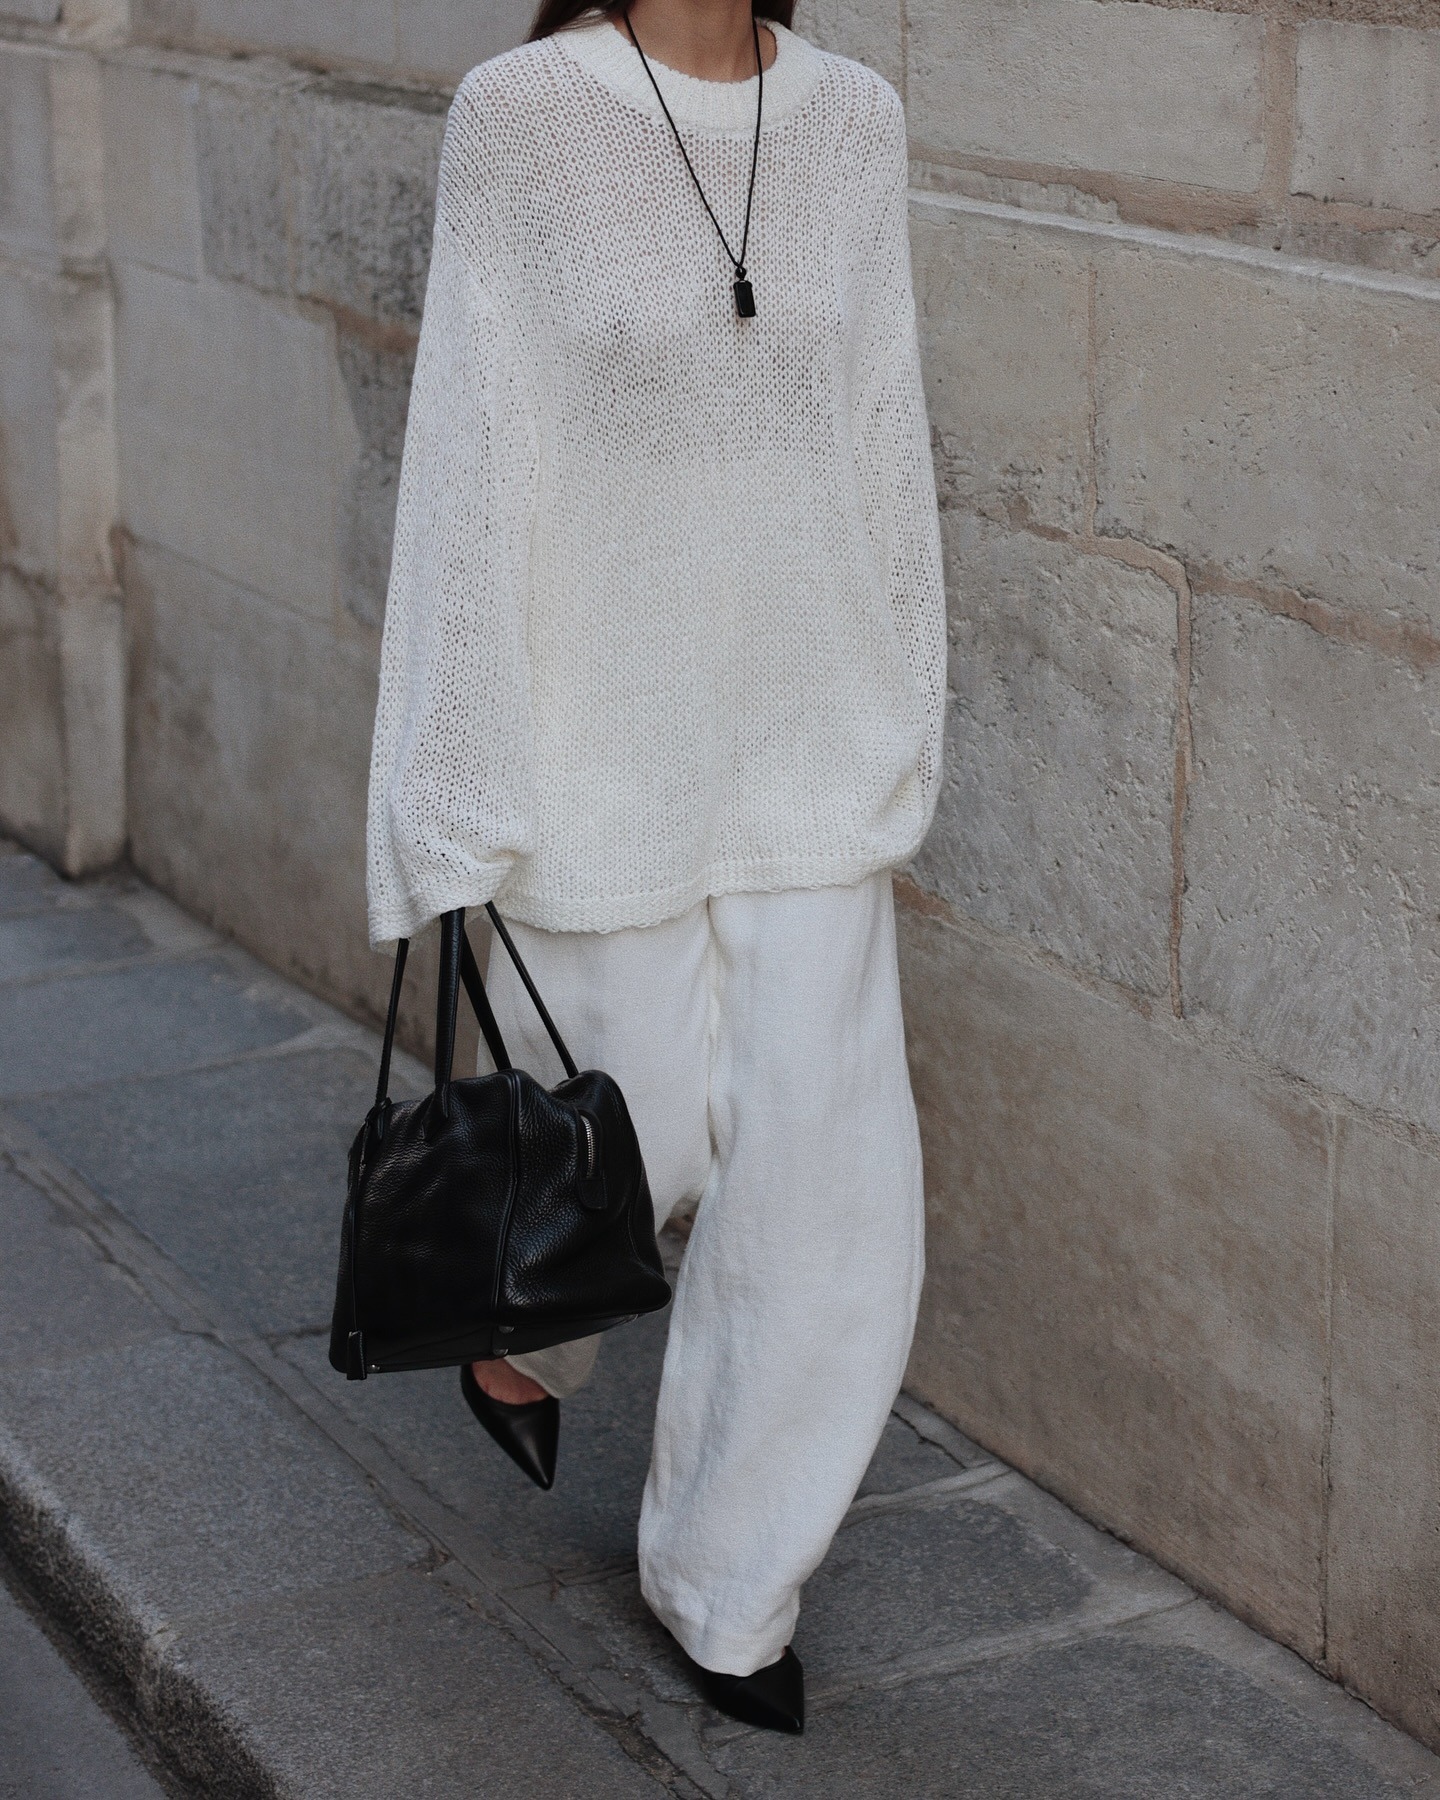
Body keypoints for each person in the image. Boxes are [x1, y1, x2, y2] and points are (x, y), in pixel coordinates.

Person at [365, 0, 946, 1735]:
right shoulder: (523, 116)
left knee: (834, 1204)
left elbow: (883, 424)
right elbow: (471, 453)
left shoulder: (853, 119)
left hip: (809, 733)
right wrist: (455, 788)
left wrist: (904, 713)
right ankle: (524, 1329)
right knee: (636, 1125)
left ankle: (731, 1587)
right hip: (600, 740)